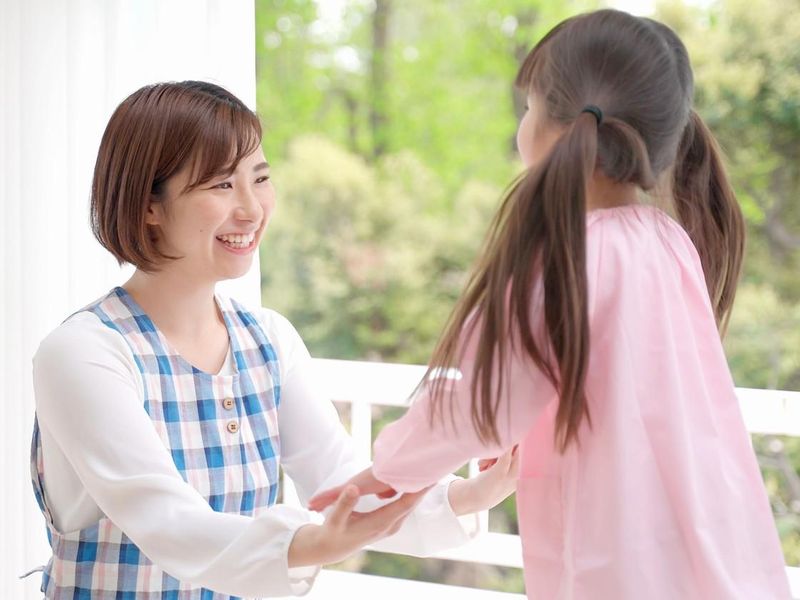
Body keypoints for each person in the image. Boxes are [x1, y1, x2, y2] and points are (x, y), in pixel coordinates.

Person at [308, 9, 792, 599]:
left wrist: (388, 472)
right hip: (709, 545)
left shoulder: (562, 257)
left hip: (620, 561)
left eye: (530, 105)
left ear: (559, 129)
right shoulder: (667, 242)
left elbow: (484, 405)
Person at [29, 80, 519, 599]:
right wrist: (311, 544)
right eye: (222, 184)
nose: (252, 209)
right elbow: (165, 520)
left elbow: (341, 484)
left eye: (260, 178)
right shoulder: (84, 352)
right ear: (149, 203)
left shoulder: (267, 340)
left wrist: (474, 494)